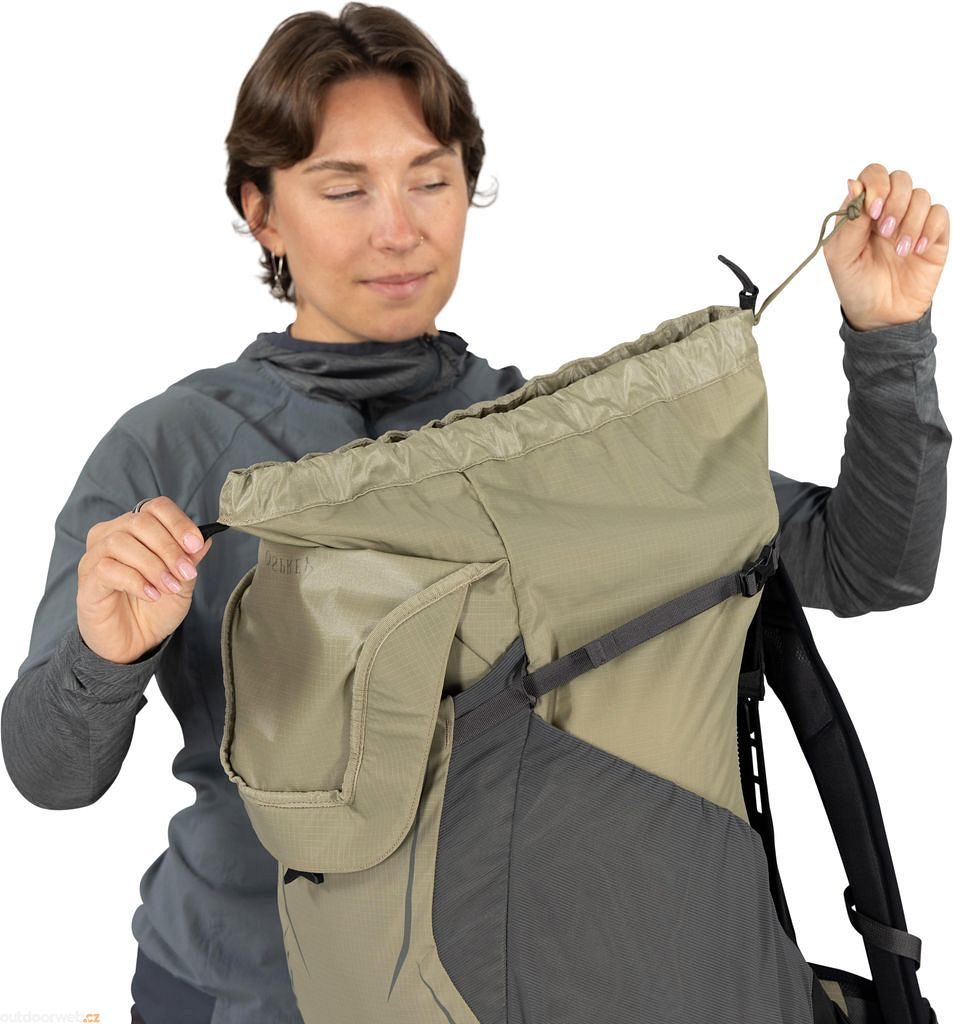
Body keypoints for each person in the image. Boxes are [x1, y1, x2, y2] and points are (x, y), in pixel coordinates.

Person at [2, 4, 950, 1022]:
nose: (398, 228)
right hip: (231, 994)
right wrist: (105, 654)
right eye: (344, 188)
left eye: (430, 179)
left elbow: (866, 565)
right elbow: (50, 775)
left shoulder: (544, 446)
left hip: (492, 993)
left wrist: (886, 335)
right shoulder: (168, 451)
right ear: (262, 212)